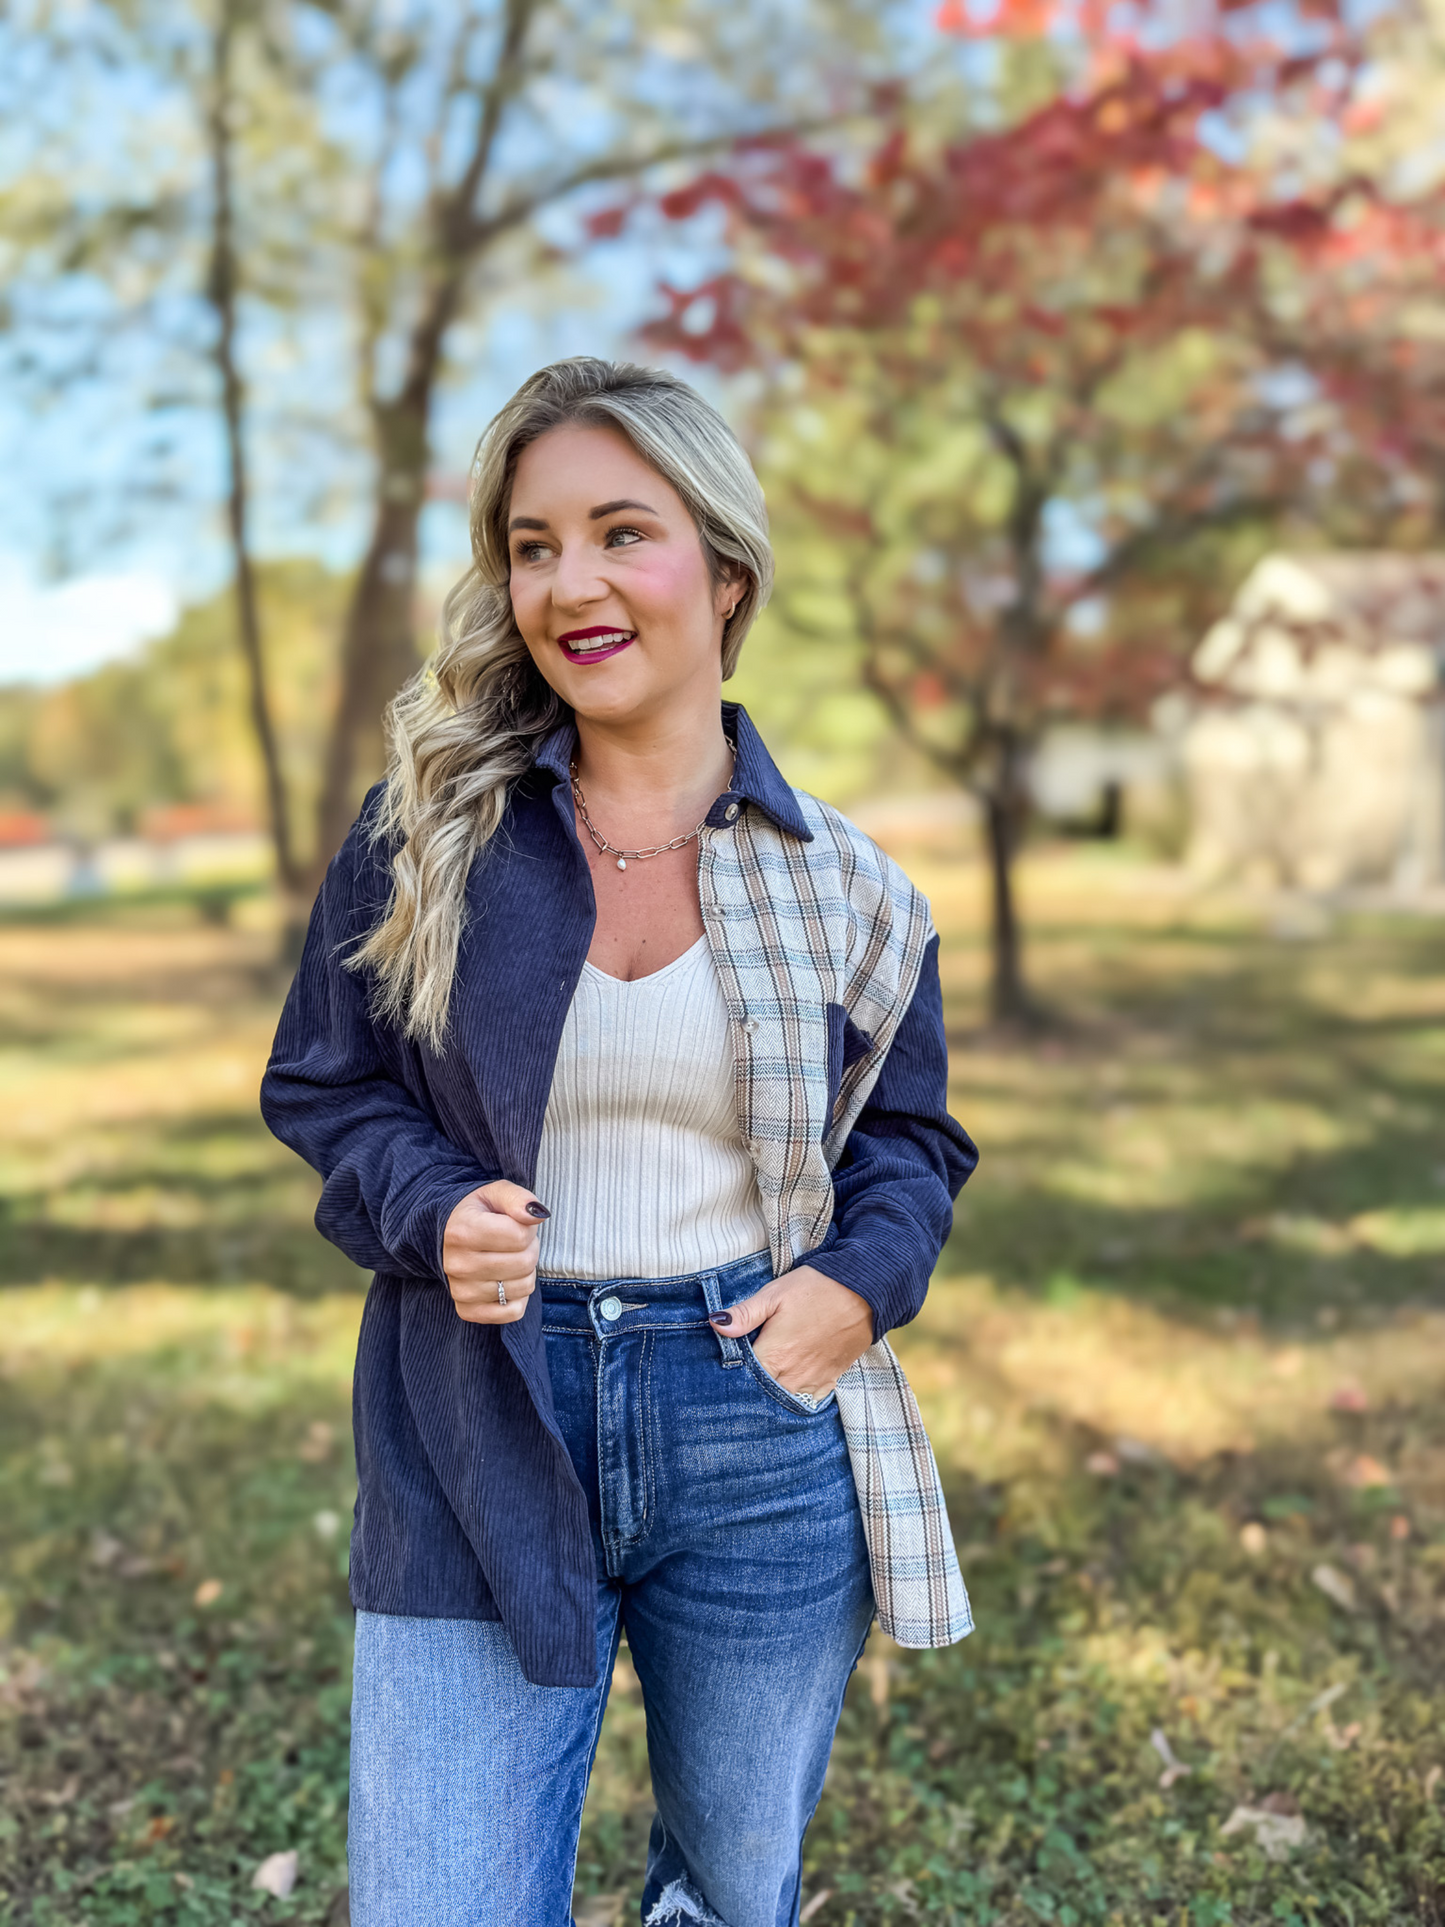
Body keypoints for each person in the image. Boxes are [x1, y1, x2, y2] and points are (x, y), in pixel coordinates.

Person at [260, 357, 978, 1927]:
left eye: (618, 532)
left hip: (755, 1411)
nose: (567, 582)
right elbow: (321, 1084)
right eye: (531, 543)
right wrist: (430, 1205)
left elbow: (914, 1141)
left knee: (729, 1893)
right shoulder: (427, 835)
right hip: (476, 1409)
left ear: (724, 571)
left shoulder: (849, 882)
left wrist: (856, 1287)